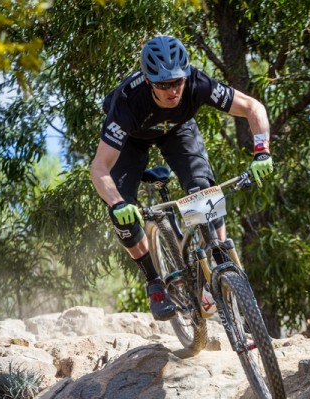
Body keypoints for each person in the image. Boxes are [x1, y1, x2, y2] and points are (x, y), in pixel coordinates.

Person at [89, 35, 273, 321]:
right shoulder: (127, 102)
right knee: (122, 211)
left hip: (178, 130)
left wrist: (262, 150)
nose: (172, 90)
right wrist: (116, 203)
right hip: (132, 138)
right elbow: (99, 167)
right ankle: (154, 282)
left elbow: (253, 107)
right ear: (149, 81)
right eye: (163, 85)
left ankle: (220, 260)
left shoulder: (197, 83)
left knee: (203, 191)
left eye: (177, 82)